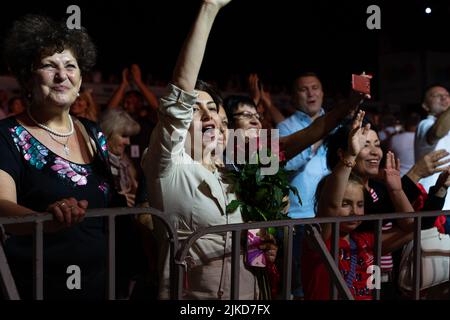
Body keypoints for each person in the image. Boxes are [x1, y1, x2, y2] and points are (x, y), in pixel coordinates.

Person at [142, 0, 263, 300]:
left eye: (212, 107)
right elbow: (177, 100)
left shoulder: (232, 173)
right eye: (196, 110)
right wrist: (209, 8)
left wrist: (262, 249)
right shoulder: (167, 166)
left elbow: (253, 236)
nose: (208, 115)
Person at [0, 14, 118, 299]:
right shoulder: (7, 134)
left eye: (70, 66)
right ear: (28, 78)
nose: (62, 75)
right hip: (37, 285)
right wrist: (46, 219)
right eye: (49, 65)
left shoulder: (92, 131)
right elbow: (1, 205)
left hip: (99, 284)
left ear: (79, 80)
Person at [302, 111, 415, 300]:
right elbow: (330, 208)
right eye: (345, 203)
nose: (354, 211)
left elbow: (412, 227)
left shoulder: (364, 241)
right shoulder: (321, 238)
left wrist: (396, 191)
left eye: (360, 204)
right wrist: (351, 155)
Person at [415, 85, 450, 209]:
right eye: (436, 95)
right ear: (425, 105)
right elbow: (437, 132)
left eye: (446, 95)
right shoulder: (425, 124)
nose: (444, 98)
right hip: (433, 203)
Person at [99, 108, 140, 207]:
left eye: (129, 137)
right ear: (108, 133)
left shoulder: (124, 163)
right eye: (124, 136)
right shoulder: (96, 163)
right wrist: (119, 199)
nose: (128, 142)